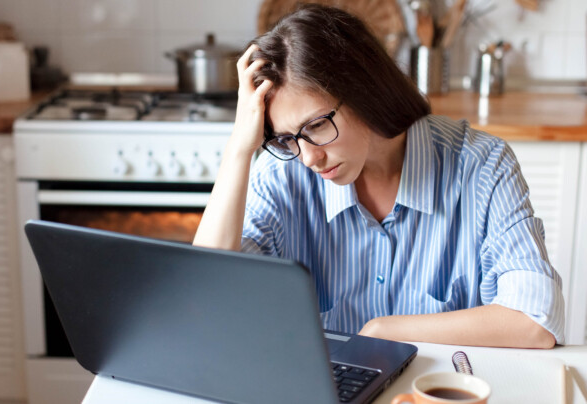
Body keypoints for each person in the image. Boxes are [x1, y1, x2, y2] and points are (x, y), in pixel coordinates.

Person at [193, 4, 564, 348]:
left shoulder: (481, 165)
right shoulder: (281, 171)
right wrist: (241, 147)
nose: (308, 157)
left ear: (363, 91)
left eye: (317, 126)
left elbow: (536, 321)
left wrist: (382, 330)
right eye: (288, 139)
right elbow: (210, 296)